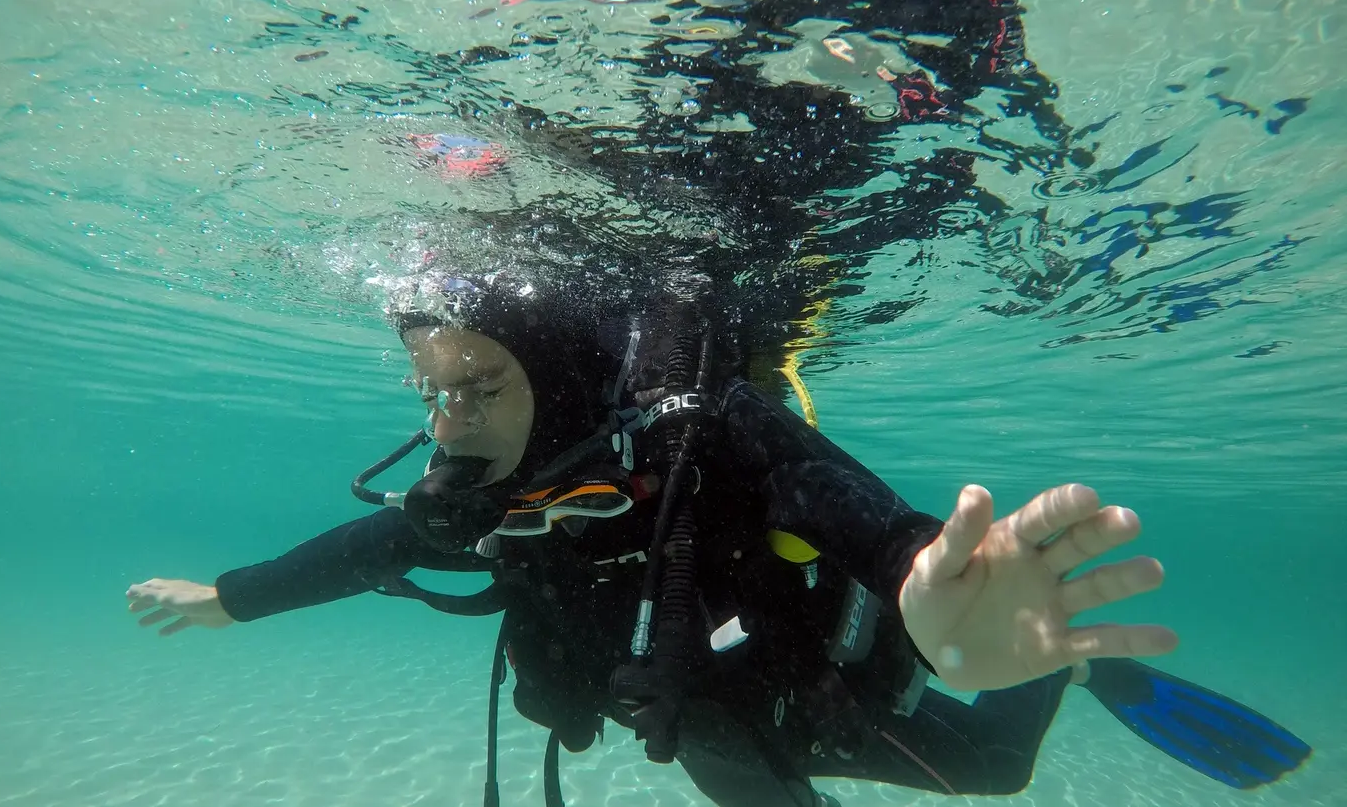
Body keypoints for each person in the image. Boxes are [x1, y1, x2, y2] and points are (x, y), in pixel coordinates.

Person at [128, 273, 1311, 807]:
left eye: (478, 384)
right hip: (695, 712)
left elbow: (867, 519)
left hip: (794, 678)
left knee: (996, 768)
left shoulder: (710, 435)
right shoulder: (478, 487)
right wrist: (230, 596)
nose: (446, 426)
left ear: (560, 373)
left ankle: (1069, 661)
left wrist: (932, 602)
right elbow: (370, 548)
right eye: (429, 392)